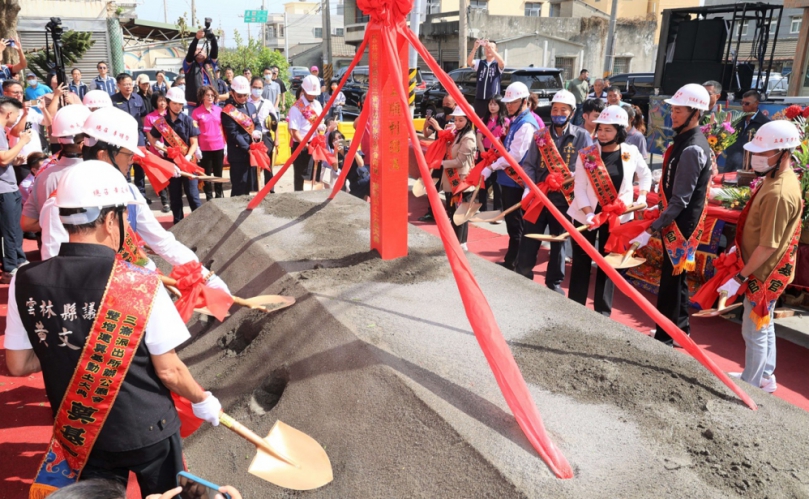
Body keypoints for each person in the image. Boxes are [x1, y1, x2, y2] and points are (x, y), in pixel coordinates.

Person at [6, 160, 224, 496]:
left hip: (81, 432)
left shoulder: (26, 278)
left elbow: (18, 364)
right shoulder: (142, 283)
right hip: (149, 429)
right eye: (124, 216)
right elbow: (170, 372)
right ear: (110, 220)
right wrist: (202, 399)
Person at [716, 120, 802, 394]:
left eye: (763, 154)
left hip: (763, 272)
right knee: (764, 325)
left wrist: (740, 276)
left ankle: (751, 384)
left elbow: (768, 245)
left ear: (784, 154)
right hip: (763, 267)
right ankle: (764, 376)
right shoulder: (776, 178)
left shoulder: (779, 192)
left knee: (753, 329)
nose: (756, 158)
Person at [629, 84, 712, 346]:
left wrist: (653, 227)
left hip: (681, 225)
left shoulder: (692, 149)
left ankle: (666, 335)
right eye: (672, 110)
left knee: (671, 281)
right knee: (678, 279)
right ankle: (681, 328)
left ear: (695, 113)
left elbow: (680, 200)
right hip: (678, 221)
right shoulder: (684, 142)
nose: (673, 116)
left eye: (678, 111)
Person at [567, 106, 650, 315]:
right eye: (600, 129)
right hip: (588, 214)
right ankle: (575, 307)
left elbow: (645, 174)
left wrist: (641, 197)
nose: (602, 134)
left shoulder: (630, 152)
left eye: (608, 130)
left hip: (616, 218)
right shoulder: (586, 154)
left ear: (620, 131)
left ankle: (602, 312)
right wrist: (588, 213)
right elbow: (579, 187)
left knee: (608, 263)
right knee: (581, 261)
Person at [516, 90, 592, 290]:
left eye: (563, 110)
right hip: (540, 197)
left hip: (565, 201)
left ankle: (554, 285)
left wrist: (573, 178)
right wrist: (529, 188)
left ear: (572, 112)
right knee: (529, 240)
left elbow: (590, 167)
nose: (558, 112)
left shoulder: (582, 136)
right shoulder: (540, 136)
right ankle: (522, 279)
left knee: (559, 245)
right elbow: (529, 164)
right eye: (555, 108)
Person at [481, 81, 540, 270]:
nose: (509, 106)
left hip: (516, 182)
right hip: (508, 179)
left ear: (524, 101)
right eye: (508, 102)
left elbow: (515, 156)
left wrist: (493, 166)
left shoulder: (526, 124)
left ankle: (515, 263)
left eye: (513, 102)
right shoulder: (517, 120)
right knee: (512, 225)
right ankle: (512, 260)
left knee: (516, 227)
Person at [20, 105, 91, 240]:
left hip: (52, 252)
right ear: (83, 142)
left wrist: (53, 225)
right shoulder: (95, 173)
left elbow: (27, 223)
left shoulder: (43, 175)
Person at [147, 87, 201, 224]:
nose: (178, 107)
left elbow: (194, 142)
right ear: (168, 102)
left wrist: (188, 156)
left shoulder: (189, 120)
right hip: (171, 164)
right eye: (175, 103)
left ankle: (200, 224)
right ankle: (178, 224)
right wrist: (159, 147)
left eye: (180, 104)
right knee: (175, 197)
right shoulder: (161, 122)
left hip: (188, 163)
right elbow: (152, 138)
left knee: (193, 196)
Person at [0, 96, 32, 282]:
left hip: (8, 186)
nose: (17, 119)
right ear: (9, 113)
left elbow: (5, 159)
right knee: (7, 231)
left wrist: (15, 159)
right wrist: (22, 142)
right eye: (17, 115)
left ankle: (18, 260)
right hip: (3, 189)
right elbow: (3, 158)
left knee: (14, 228)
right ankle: (9, 267)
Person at [441, 107, 477, 250]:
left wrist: (441, 163)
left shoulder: (469, 137)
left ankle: (461, 243)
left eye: (461, 120)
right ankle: (454, 241)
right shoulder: (458, 134)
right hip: (452, 179)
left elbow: (460, 161)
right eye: (456, 120)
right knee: (452, 211)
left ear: (468, 120)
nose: (457, 123)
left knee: (461, 213)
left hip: (461, 180)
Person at [221, 75, 262, 196]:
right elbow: (233, 134)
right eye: (240, 95)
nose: (243, 98)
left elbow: (258, 124)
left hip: (253, 153)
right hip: (239, 155)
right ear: (232, 93)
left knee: (251, 186)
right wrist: (248, 148)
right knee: (239, 188)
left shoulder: (251, 106)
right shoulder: (228, 111)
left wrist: (258, 133)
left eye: (245, 95)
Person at [111, 73, 149, 200]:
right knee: (125, 165)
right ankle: (126, 194)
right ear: (118, 85)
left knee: (140, 165)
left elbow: (143, 116)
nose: (128, 87)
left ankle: (141, 194)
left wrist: (145, 134)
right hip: (122, 137)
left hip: (137, 135)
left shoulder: (137, 98)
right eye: (125, 84)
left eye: (130, 84)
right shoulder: (113, 100)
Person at [419, 95, 457, 222]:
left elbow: (452, 137)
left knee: (449, 188)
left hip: (451, 158)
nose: (446, 106)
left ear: (455, 104)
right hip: (438, 158)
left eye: (449, 104)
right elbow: (426, 134)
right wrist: (426, 124)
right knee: (433, 185)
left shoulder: (458, 119)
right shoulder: (439, 117)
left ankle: (450, 214)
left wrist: (438, 128)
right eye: (444, 103)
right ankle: (432, 212)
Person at [288, 74, 323, 192]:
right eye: (310, 93)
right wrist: (307, 146)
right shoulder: (296, 108)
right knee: (302, 177)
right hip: (302, 145)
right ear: (303, 90)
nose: (312, 95)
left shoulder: (317, 105)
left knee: (315, 173)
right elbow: (294, 132)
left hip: (316, 144)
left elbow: (320, 123)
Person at [476, 95, 509, 213]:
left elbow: (506, 140)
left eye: (495, 104)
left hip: (498, 154)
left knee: (497, 183)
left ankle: (497, 209)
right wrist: (483, 152)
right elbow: (479, 138)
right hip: (485, 153)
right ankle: (481, 208)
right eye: (490, 104)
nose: (492, 107)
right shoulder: (483, 119)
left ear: (500, 105)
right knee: (483, 181)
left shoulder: (506, 121)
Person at [192, 85, 226, 200]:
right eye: (208, 95)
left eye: (212, 95)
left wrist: (225, 144)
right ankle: (209, 197)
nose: (210, 97)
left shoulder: (219, 110)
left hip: (219, 145)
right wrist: (196, 148)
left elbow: (223, 128)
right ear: (202, 96)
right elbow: (194, 131)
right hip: (205, 148)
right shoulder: (196, 112)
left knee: (218, 173)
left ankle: (219, 195)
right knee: (206, 174)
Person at [723, 90, 770, 173]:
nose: (743, 106)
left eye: (747, 103)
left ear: (756, 103)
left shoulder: (765, 124)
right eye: (742, 103)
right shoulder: (737, 120)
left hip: (749, 169)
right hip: (730, 165)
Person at [4, 80, 50, 162]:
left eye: (21, 93)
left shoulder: (31, 110)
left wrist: (43, 109)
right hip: (21, 159)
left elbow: (48, 122)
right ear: (5, 93)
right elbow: (16, 133)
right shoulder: (5, 112)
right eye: (15, 92)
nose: (19, 95)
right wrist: (25, 114)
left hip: (37, 157)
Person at [247, 76, 278, 190]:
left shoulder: (268, 103)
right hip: (251, 138)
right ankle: (255, 189)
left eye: (259, 87)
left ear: (263, 88)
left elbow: (275, 122)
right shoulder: (246, 102)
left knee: (267, 163)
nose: (257, 90)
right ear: (251, 87)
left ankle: (270, 189)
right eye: (255, 87)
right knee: (254, 165)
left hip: (266, 137)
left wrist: (277, 139)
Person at [143, 93, 171, 212]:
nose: (163, 103)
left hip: (170, 151)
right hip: (157, 150)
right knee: (161, 176)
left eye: (164, 100)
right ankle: (165, 202)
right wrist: (157, 146)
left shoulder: (170, 115)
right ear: (155, 102)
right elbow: (149, 136)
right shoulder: (150, 117)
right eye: (160, 100)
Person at [466, 38, 505, 119]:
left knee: (492, 121)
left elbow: (502, 63)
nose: (488, 50)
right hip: (480, 99)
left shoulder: (497, 64)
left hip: (493, 100)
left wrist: (490, 48)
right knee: (479, 121)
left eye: (491, 48)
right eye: (486, 48)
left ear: (496, 50)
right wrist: (474, 48)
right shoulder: (480, 63)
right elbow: (469, 62)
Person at [183, 29, 219, 110]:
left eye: (202, 50)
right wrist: (196, 38)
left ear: (206, 54)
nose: (199, 51)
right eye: (197, 50)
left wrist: (212, 38)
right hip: (195, 105)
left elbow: (214, 51)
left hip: (212, 103)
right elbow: (190, 53)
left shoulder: (210, 64)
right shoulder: (189, 65)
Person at [331, 130, 368, 200]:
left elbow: (361, 164)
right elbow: (335, 169)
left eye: (339, 138)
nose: (338, 141)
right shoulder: (335, 156)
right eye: (335, 139)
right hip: (354, 184)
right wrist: (335, 152)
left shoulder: (350, 148)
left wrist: (352, 148)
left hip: (365, 178)